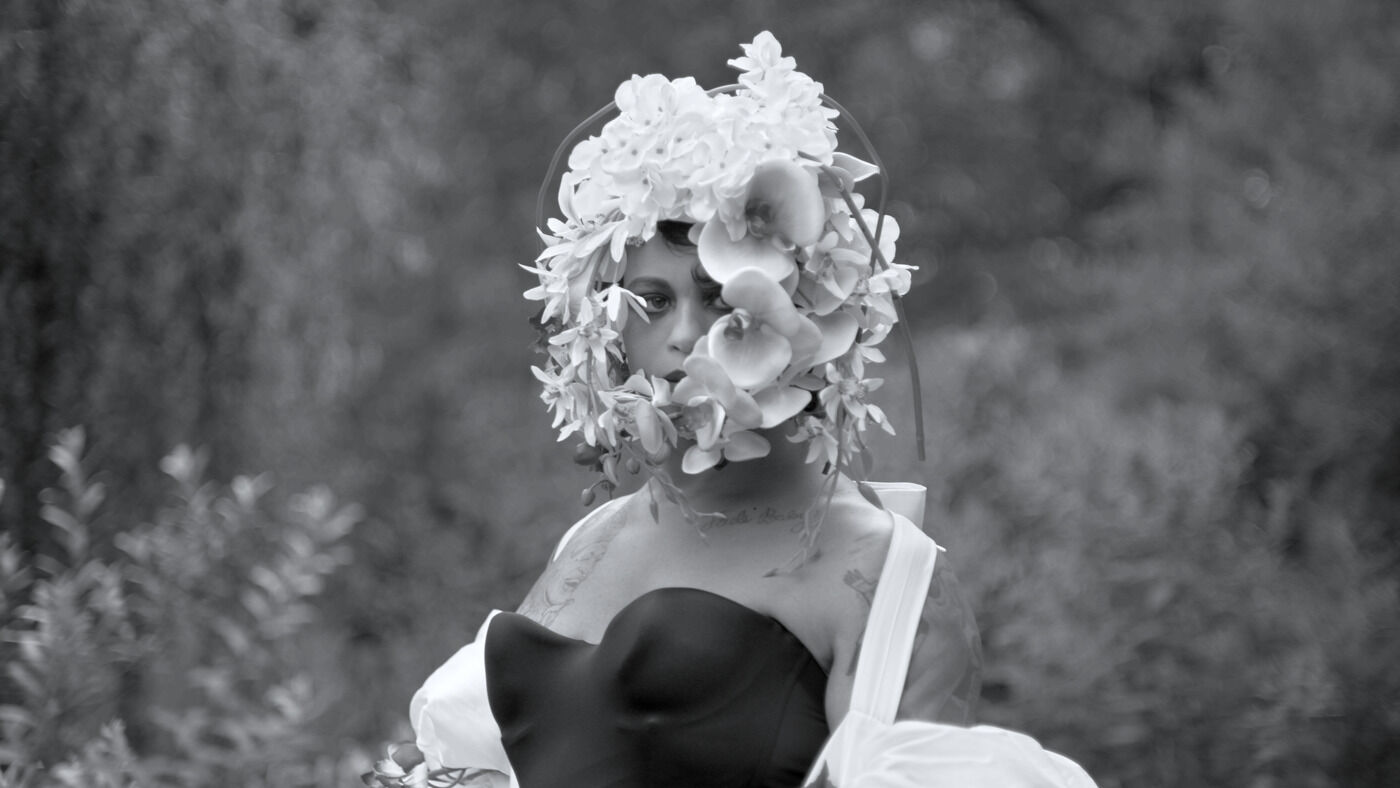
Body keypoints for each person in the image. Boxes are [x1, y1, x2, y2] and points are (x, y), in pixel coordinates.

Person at [372, 31, 1089, 788]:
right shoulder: (596, 533)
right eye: (651, 300)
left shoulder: (882, 576)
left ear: (811, 313)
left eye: (719, 298)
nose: (682, 334)